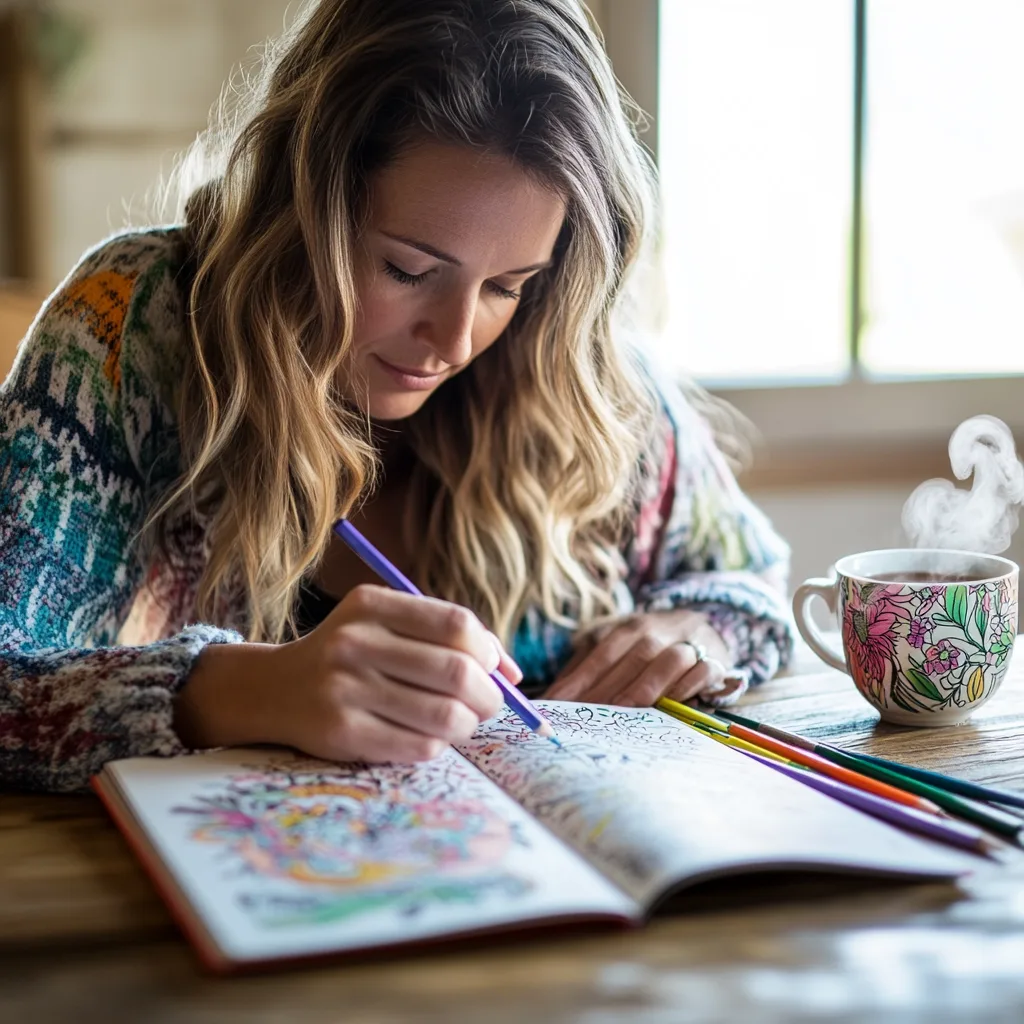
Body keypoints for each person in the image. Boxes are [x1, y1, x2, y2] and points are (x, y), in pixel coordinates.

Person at [0, 0, 792, 793]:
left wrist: (698, 631)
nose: (453, 341)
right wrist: (241, 689)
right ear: (301, 205)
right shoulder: (136, 323)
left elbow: (752, 581)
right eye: (409, 271)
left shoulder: (575, 368)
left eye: (508, 286)